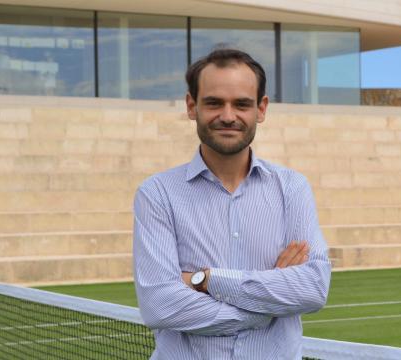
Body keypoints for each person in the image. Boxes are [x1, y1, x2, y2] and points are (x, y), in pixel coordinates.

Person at [133, 48, 331, 359]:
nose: (228, 116)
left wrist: (205, 280)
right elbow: (161, 305)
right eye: (214, 103)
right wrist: (266, 308)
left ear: (261, 109)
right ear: (191, 106)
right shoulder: (157, 193)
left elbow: (313, 288)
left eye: (241, 104)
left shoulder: (292, 188)